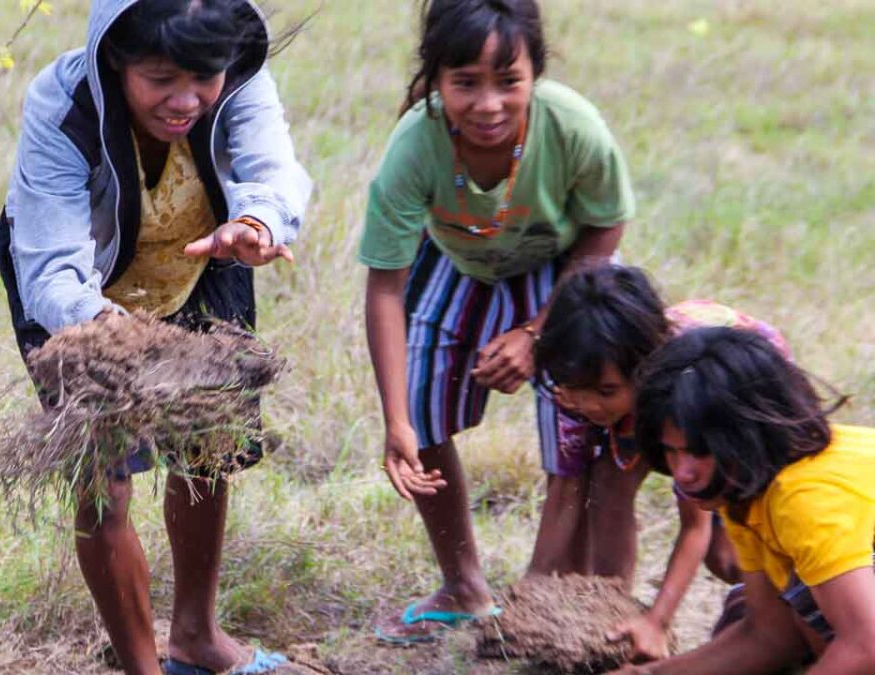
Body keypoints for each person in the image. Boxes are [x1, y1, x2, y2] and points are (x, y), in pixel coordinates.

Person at [0, 1, 312, 673]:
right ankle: (143, 666)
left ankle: (196, 637)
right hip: (82, 297)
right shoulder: (63, 106)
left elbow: (274, 170)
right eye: (161, 77)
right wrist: (122, 337)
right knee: (102, 480)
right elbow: (51, 270)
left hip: (200, 257)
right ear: (115, 56)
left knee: (208, 445)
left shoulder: (240, 77)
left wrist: (256, 226)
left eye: (204, 77)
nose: (186, 99)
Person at [358, 0, 634, 643]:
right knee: (421, 412)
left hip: (565, 268)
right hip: (459, 261)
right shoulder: (416, 144)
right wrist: (396, 422)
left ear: (536, 74)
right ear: (435, 81)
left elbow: (604, 227)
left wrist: (538, 332)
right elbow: (386, 289)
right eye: (465, 84)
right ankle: (464, 584)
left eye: (508, 82)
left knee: (583, 421)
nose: (488, 105)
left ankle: (572, 596)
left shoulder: (573, 127)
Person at [531, 264, 790, 661]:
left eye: (605, 391)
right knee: (607, 483)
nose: (588, 406)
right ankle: (611, 616)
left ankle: (788, 612)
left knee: (726, 555)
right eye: (575, 391)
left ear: (643, 368)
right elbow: (566, 485)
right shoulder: (573, 376)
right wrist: (532, 591)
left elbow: (693, 525)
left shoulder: (682, 391)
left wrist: (658, 620)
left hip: (741, 401)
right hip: (653, 396)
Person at [611, 327, 875, 674]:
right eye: (671, 452)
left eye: (699, 451)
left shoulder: (803, 496)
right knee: (767, 607)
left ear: (748, 436)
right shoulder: (745, 493)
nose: (683, 473)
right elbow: (769, 634)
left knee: (818, 616)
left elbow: (865, 645)